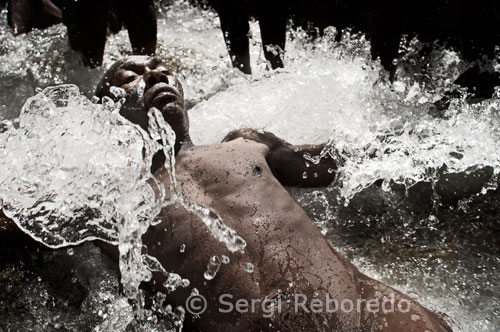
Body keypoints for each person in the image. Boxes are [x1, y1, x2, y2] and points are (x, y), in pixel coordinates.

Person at [1, 56, 452, 332]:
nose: (153, 76)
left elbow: (347, 161)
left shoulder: (245, 143)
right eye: (131, 76)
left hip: (378, 316)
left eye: (162, 71)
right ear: (106, 111)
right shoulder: (103, 198)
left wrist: (434, 140)